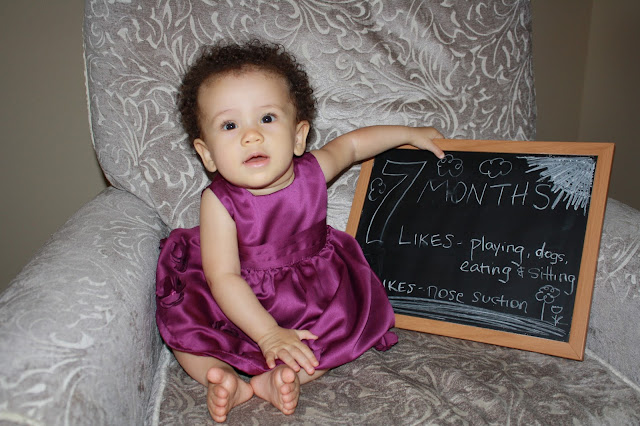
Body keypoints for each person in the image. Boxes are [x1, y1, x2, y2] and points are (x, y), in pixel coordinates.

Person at [155, 40, 444, 422]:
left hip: (310, 292)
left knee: (339, 338)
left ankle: (274, 381)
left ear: (298, 136)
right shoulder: (219, 202)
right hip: (233, 293)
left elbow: (353, 145)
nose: (251, 136)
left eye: (267, 118)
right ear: (207, 153)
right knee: (186, 331)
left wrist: (408, 133)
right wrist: (267, 333)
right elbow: (223, 277)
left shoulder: (313, 172)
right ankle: (222, 377)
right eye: (230, 125)